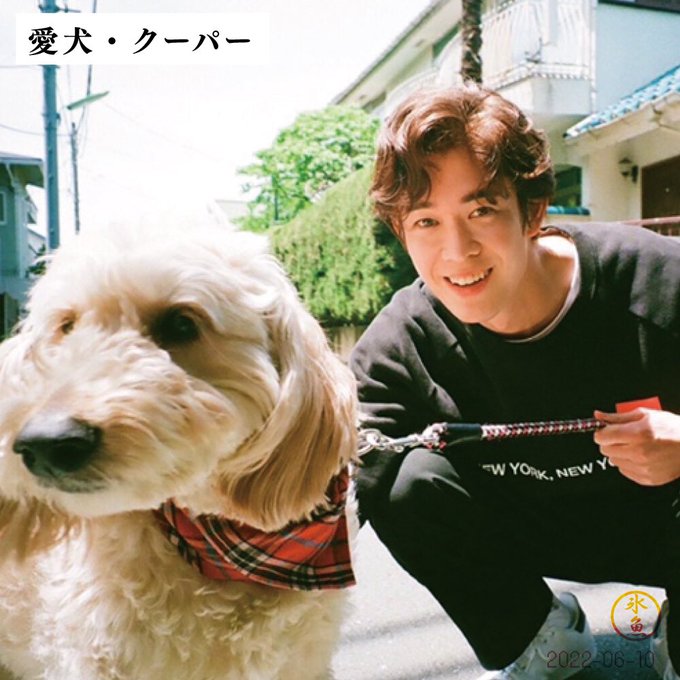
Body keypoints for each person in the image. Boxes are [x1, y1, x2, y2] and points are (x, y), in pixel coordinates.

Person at [349, 84, 680, 679]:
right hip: (533, 532)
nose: (458, 251)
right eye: (426, 221)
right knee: (403, 482)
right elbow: (332, 472)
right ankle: (539, 638)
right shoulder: (404, 339)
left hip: (663, 526)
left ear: (532, 209)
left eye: (481, 211)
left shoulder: (657, 281)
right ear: (402, 231)